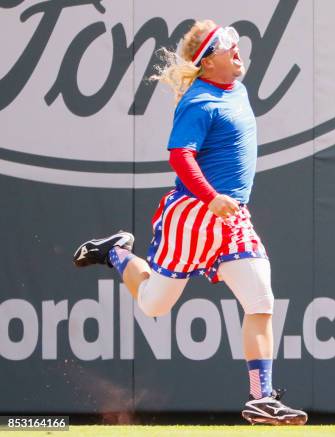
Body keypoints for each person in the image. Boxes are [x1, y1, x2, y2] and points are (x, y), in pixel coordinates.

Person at [73, 19, 307, 426]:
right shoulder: (200, 102)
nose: (238, 50)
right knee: (153, 304)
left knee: (261, 300)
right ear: (208, 62)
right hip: (195, 214)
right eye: (227, 46)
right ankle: (115, 252)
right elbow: (180, 156)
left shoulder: (236, 87)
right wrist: (211, 197)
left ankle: (261, 398)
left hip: (231, 215)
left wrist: (222, 202)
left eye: (235, 43)